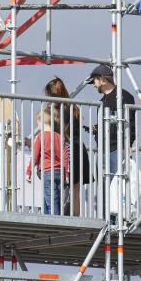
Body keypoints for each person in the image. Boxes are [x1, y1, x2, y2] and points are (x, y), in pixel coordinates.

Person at [44, 77, 89, 216]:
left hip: (63, 150)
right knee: (75, 189)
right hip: (77, 149)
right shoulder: (74, 108)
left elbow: (51, 133)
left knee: (57, 186)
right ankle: (76, 218)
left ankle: (57, 216)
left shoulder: (53, 111)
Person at [86, 65, 136, 175]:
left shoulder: (123, 96)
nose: (93, 85)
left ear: (103, 79)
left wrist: (128, 144)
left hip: (118, 149)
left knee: (118, 187)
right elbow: (109, 122)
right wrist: (96, 128)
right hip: (103, 150)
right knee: (104, 189)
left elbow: (130, 123)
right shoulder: (102, 101)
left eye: (94, 81)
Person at [25, 106, 70, 215]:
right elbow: (65, 156)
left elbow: (35, 156)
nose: (38, 126)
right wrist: (66, 173)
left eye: (38, 123)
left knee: (50, 198)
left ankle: (55, 220)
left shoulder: (41, 137)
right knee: (54, 197)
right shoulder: (60, 137)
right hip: (60, 172)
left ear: (42, 122)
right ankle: (46, 216)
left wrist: (29, 171)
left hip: (47, 171)